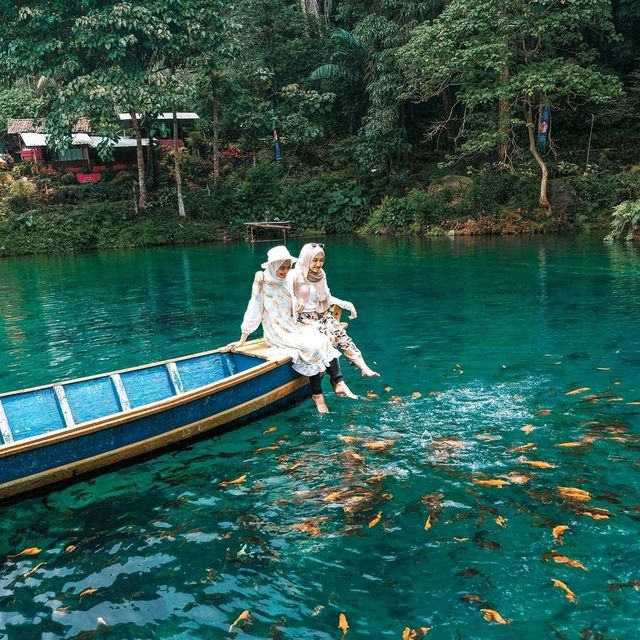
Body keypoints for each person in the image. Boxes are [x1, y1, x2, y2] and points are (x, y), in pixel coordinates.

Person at [223, 245, 356, 413]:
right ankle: (318, 395)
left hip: (293, 326)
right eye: (281, 268)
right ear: (272, 266)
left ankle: (338, 382)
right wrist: (243, 338)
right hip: (276, 331)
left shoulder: (288, 280)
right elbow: (253, 310)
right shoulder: (261, 283)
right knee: (311, 346)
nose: (285, 271)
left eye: (287, 267)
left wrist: (299, 303)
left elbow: (309, 279)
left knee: (322, 337)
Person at [291, 242, 380, 378]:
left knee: (341, 335)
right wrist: (297, 303)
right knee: (329, 336)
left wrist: (346, 304)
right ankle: (337, 380)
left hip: (321, 314)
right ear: (306, 258)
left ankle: (363, 367)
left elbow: (326, 298)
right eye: (314, 260)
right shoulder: (295, 275)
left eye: (322, 260)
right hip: (303, 319)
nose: (318, 264)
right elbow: (284, 298)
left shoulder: (321, 275)